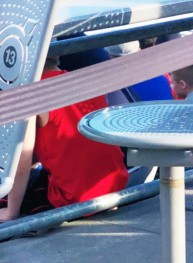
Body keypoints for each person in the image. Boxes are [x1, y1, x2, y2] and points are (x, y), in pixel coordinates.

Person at [0, 59, 129, 221]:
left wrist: (11, 212)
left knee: (9, 194)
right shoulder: (82, 80)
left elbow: (21, 161)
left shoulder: (31, 94)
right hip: (115, 186)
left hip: (76, 199)